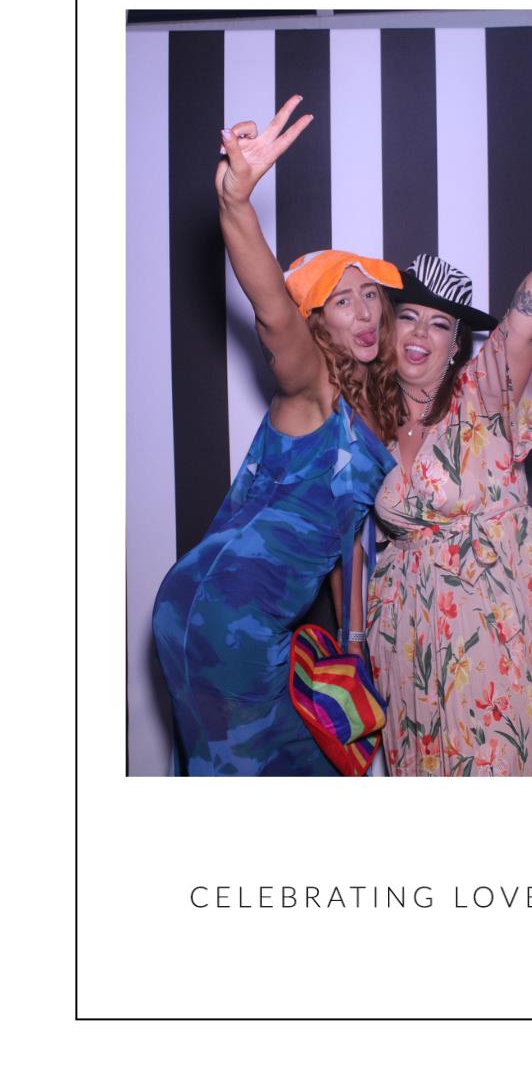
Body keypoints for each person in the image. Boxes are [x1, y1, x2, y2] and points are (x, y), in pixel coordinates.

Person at [153, 94, 407, 775]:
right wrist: (236, 202)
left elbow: (342, 541)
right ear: (317, 322)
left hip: (224, 610)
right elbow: (270, 309)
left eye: (370, 296)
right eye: (341, 300)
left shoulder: (369, 409)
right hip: (228, 609)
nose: (363, 313)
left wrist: (353, 639)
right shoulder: (311, 381)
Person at [363, 144, 532, 776]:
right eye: (409, 317)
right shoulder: (367, 420)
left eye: (440, 324)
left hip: (491, 625)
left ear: (459, 343)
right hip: (406, 636)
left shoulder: (481, 397)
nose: (420, 334)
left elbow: (521, 321)